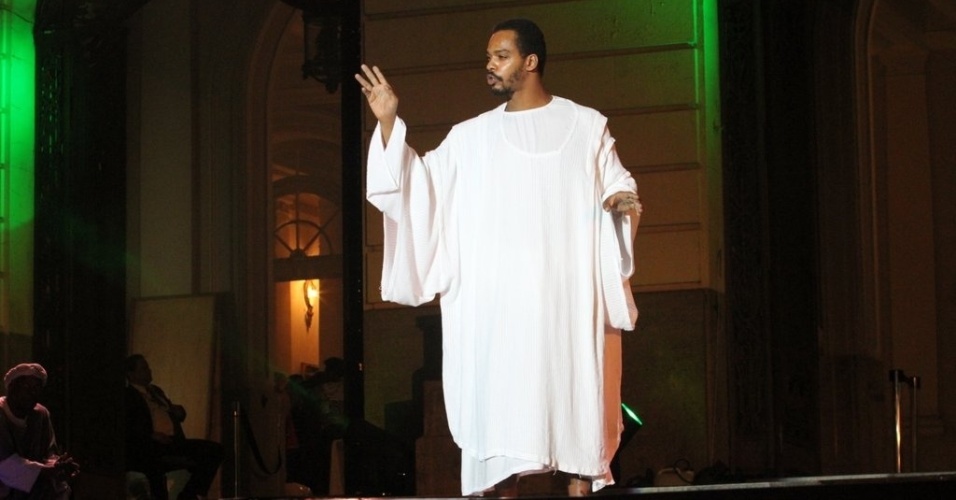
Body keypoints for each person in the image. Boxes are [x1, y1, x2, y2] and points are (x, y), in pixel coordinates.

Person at [355, 17, 641, 497]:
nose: (489, 65)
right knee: (500, 449)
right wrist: (387, 122)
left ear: (530, 62)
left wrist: (618, 203)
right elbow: (420, 189)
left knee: (576, 436)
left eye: (501, 56)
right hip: (499, 317)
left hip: (565, 308)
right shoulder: (471, 138)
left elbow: (618, 185)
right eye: (488, 57)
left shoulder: (586, 126)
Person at [124, 354, 223, 500]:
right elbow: (128, 425)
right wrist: (151, 435)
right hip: (149, 445)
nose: (149, 371)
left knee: (214, 450)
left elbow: (171, 410)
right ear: (131, 374)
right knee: (155, 466)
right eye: (143, 368)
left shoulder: (156, 391)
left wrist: (178, 411)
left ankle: (188, 495)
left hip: (172, 441)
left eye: (148, 367)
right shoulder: (128, 396)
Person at [0, 362, 79, 499]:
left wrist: (58, 465)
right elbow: (6, 467)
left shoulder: (40, 414)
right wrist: (47, 471)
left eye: (36, 389)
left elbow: (49, 453)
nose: (32, 393)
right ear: (11, 387)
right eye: (26, 387)